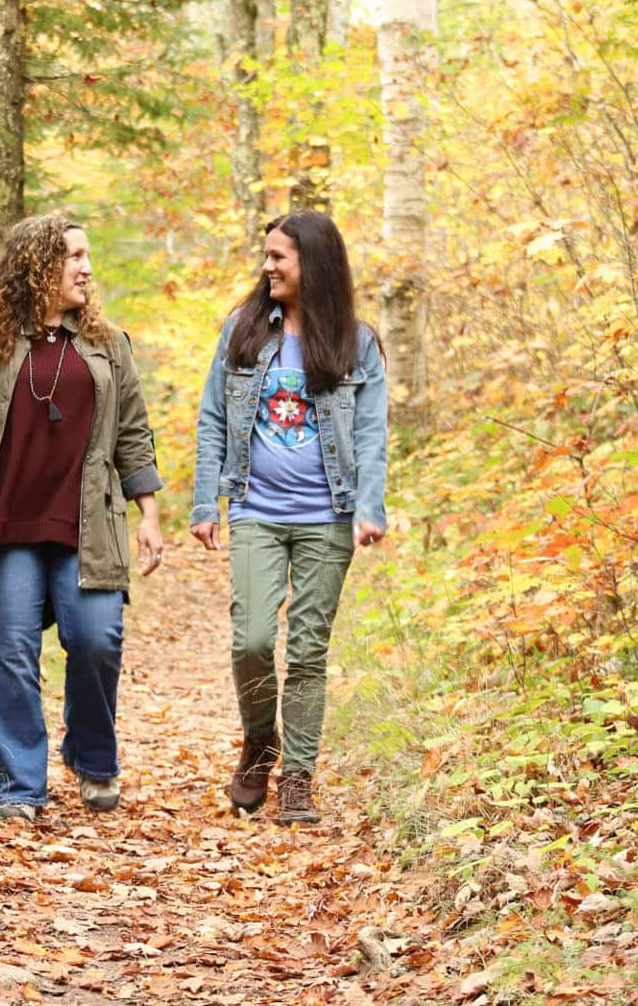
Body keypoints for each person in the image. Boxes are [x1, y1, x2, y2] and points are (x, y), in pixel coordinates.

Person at [0, 213, 165, 823]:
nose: (86, 267)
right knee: (13, 652)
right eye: (73, 255)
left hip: (87, 525)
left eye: (88, 255)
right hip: (5, 527)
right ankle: (20, 788)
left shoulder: (108, 343)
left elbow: (133, 432)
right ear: (38, 264)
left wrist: (148, 513)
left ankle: (93, 758)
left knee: (98, 639)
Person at [189, 210, 388, 824]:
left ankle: (297, 777)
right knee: (251, 639)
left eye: (279, 257)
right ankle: (259, 742)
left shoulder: (358, 342)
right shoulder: (243, 329)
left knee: (307, 648)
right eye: (266, 255)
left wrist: (368, 506)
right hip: (255, 508)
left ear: (314, 264)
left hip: (327, 515)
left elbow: (373, 431)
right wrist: (205, 501)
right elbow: (213, 418)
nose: (267, 266)